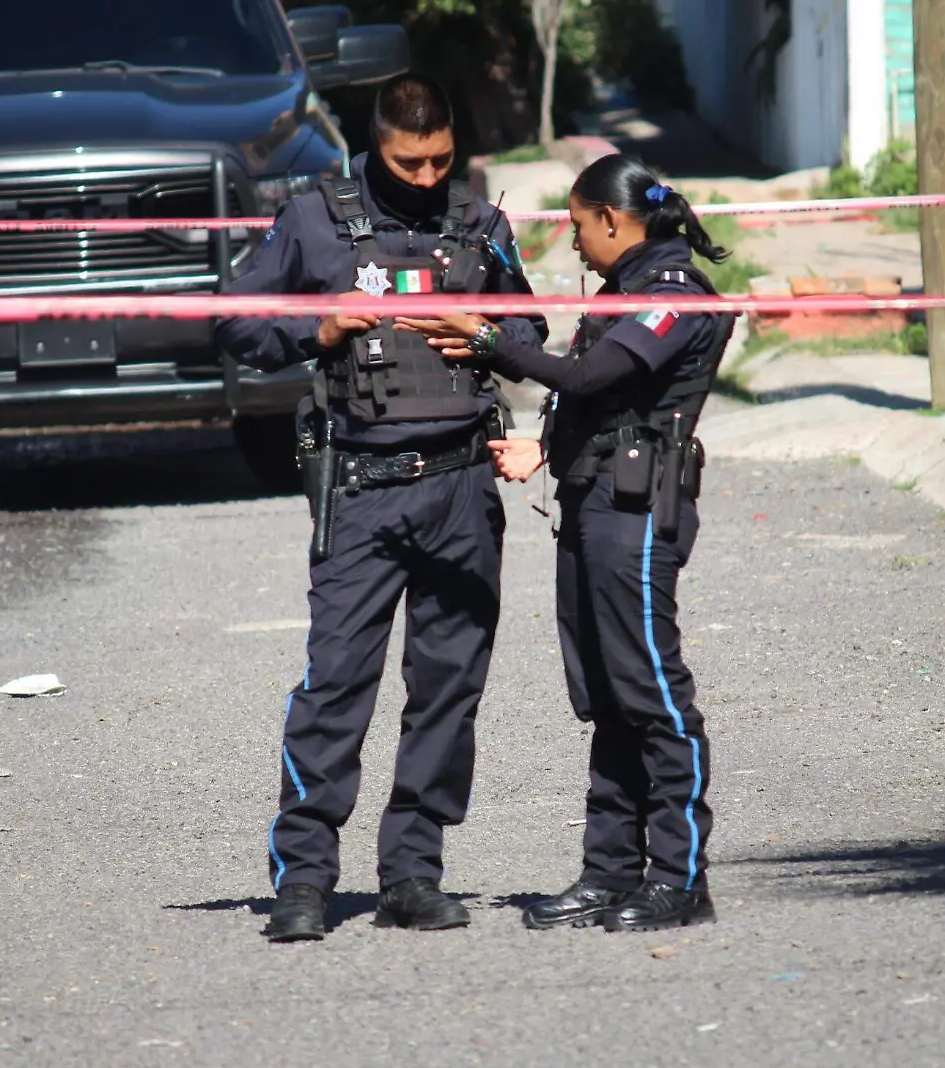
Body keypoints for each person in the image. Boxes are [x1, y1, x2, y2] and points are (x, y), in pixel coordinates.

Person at [213, 74, 548, 943]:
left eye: (442, 160)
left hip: (464, 489)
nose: (429, 176)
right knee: (336, 689)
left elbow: (531, 336)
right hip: (361, 491)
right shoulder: (314, 219)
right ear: (377, 146)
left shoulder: (481, 225)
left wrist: (486, 335)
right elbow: (234, 320)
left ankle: (411, 873)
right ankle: (304, 882)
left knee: (448, 691)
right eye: (411, 162)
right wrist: (318, 331)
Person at [396, 154, 733, 933]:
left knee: (652, 696)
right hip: (592, 501)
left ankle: (681, 879)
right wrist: (542, 448)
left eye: (579, 225)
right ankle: (610, 873)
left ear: (612, 220)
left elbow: (589, 377)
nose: (575, 244)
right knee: (607, 698)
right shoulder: (626, 289)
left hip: (636, 512)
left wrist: (487, 339)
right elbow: (600, 395)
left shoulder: (672, 293)